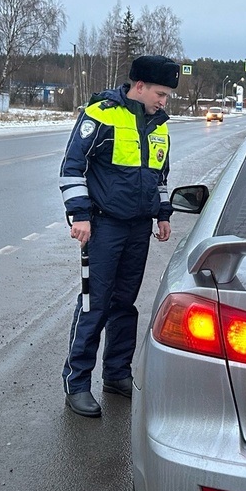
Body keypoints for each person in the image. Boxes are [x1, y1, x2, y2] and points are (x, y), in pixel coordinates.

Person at [57, 54, 179, 418]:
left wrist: (163, 213)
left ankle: (116, 374)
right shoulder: (102, 113)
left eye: (168, 95)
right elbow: (71, 167)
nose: (164, 100)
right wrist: (80, 215)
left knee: (125, 304)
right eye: (160, 92)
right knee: (96, 304)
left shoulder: (160, 125)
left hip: (138, 228)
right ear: (138, 86)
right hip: (104, 224)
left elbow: (158, 176)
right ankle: (77, 383)